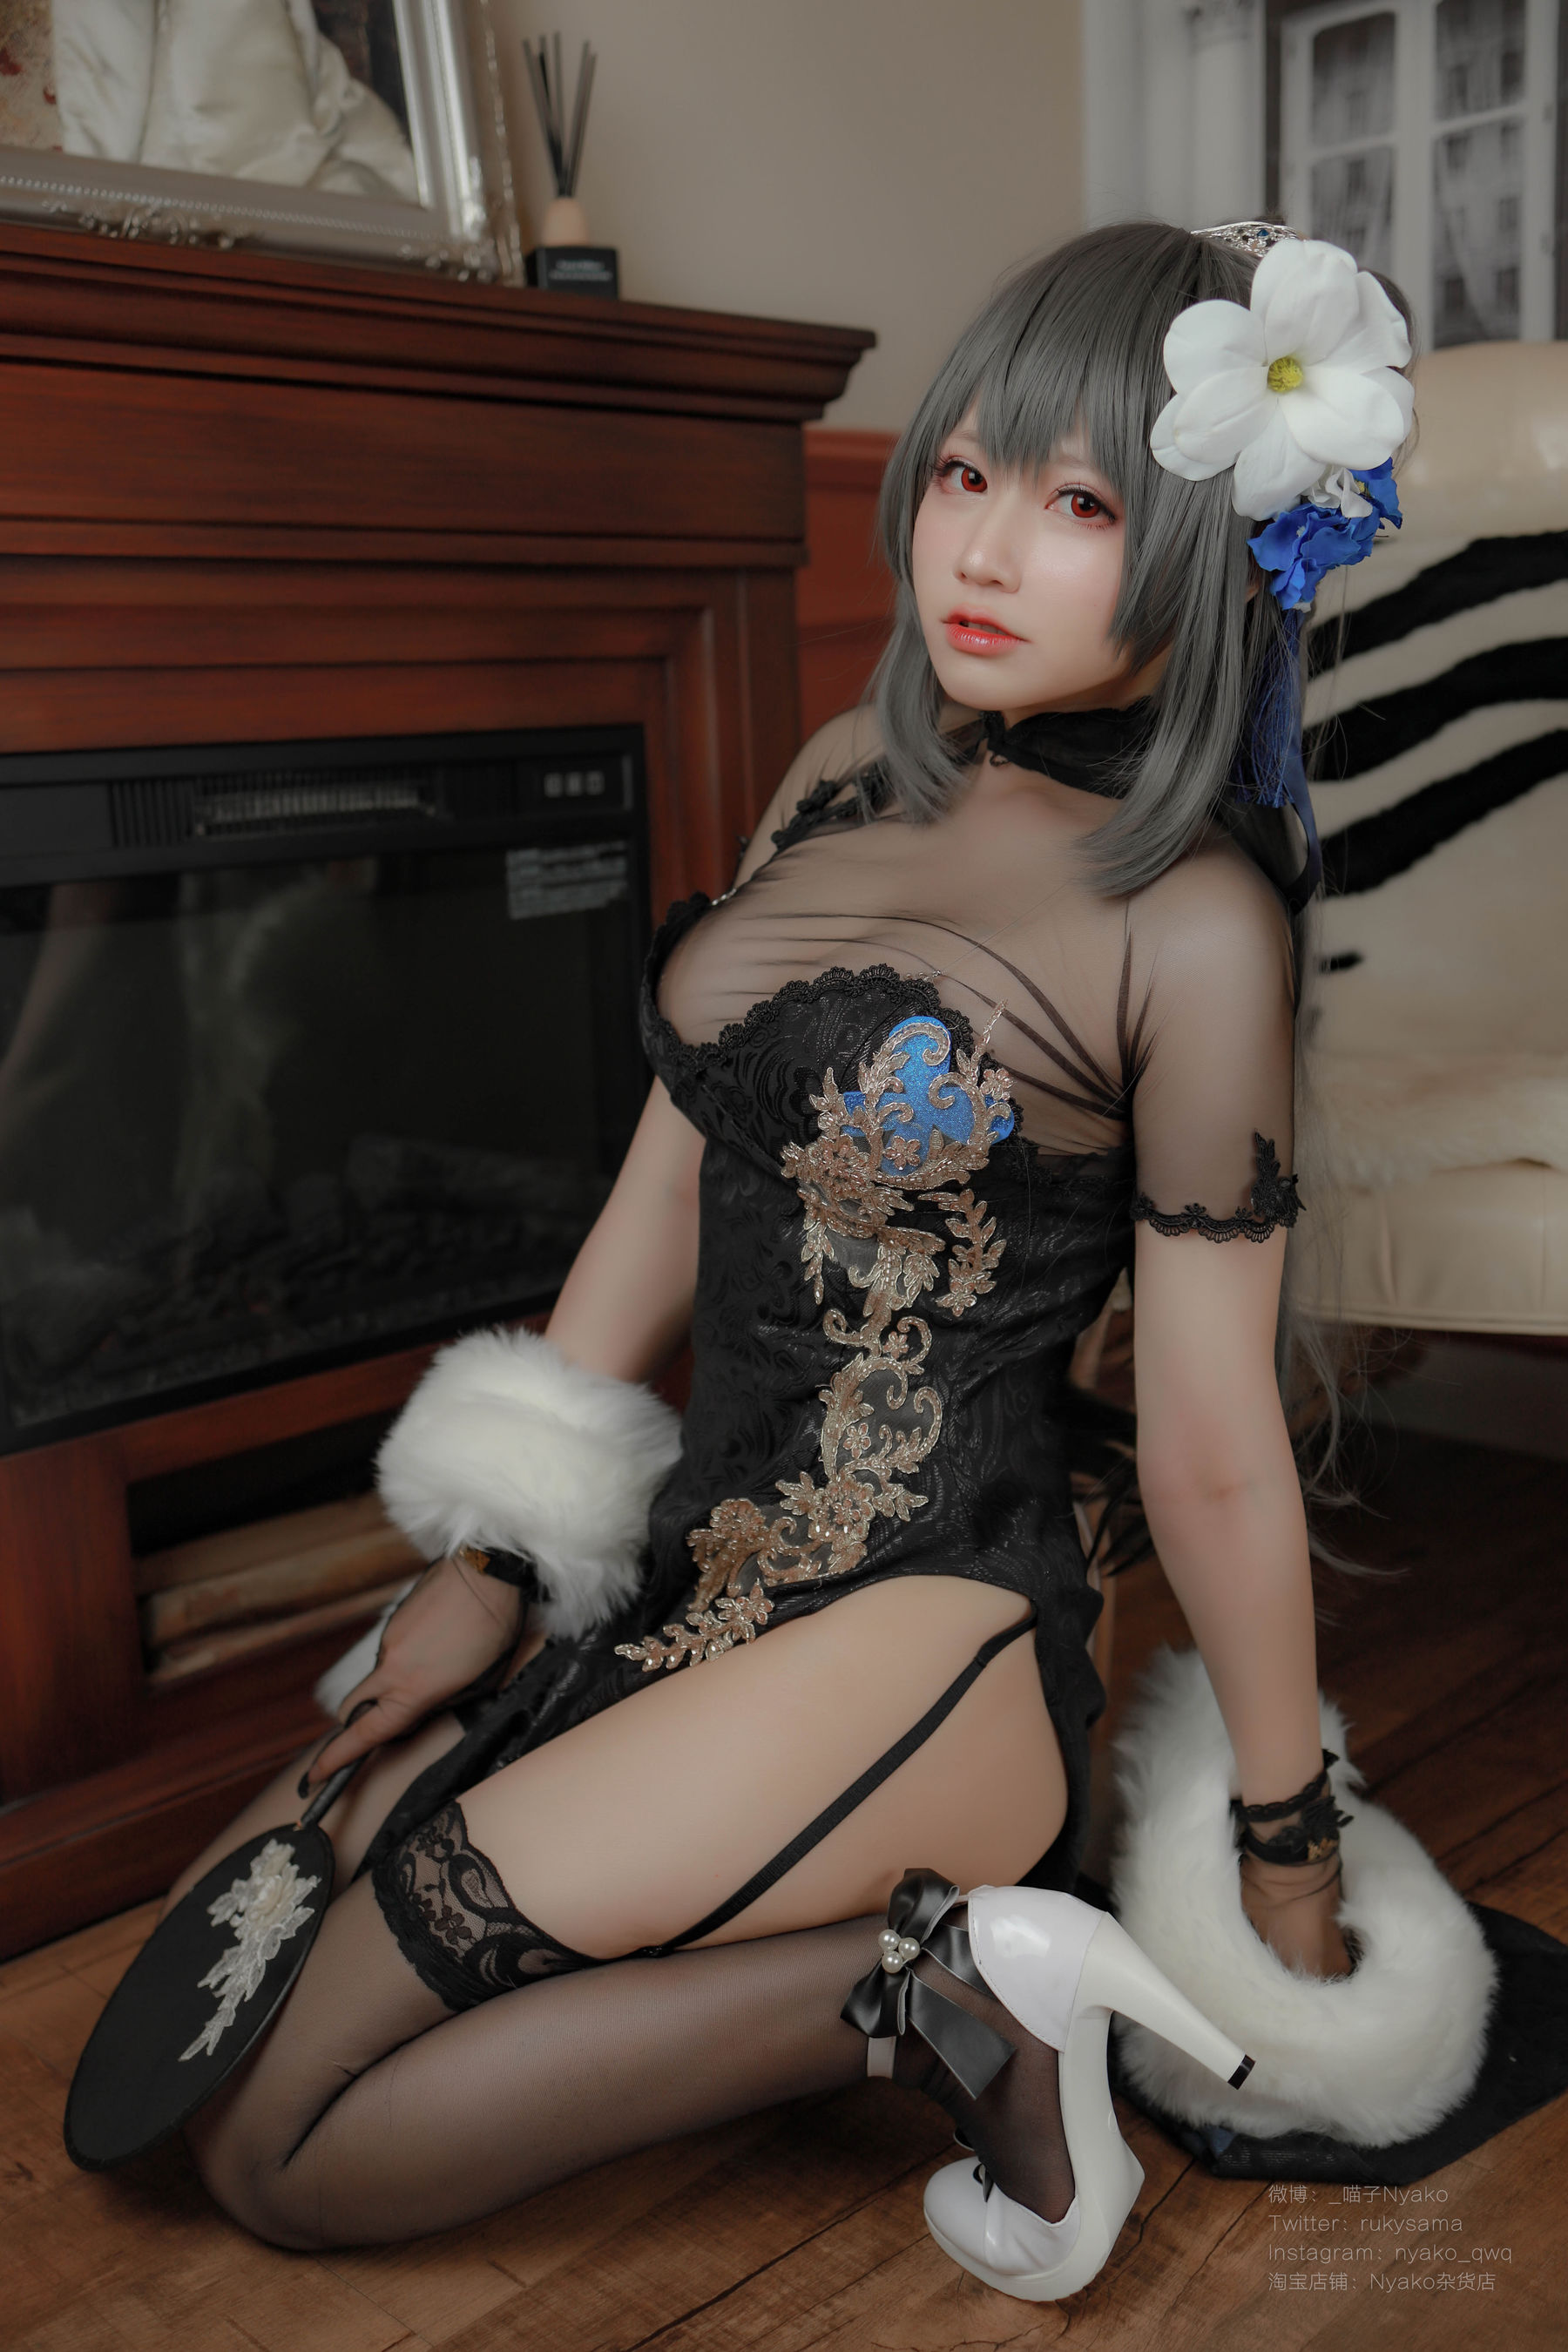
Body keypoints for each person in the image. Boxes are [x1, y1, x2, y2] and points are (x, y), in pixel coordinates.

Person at [160, 220, 1428, 2299]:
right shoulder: (850, 778)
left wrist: (1285, 1850)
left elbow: (1212, 1450)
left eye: (1081, 504)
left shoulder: (1196, 928)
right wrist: (493, 1557)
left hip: (929, 1634)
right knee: (209, 2013)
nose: (981, 549)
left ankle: (950, 1999)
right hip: (698, 1574)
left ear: (1210, 549)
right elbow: (663, 1194)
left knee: (287, 2148)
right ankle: (904, 1973)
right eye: (965, 472)